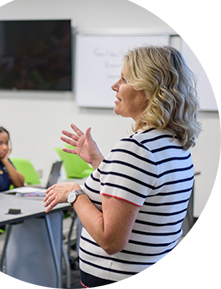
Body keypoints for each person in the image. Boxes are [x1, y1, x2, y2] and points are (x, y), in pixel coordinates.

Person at [44, 45, 201, 289]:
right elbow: (139, 192)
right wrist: (99, 162)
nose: (114, 86)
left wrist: (75, 194)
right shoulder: (173, 144)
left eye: (124, 79)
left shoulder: (135, 150)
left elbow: (111, 239)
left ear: (150, 91)